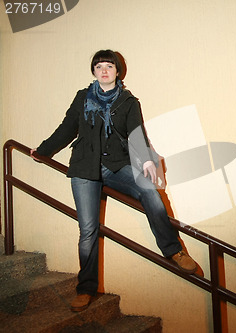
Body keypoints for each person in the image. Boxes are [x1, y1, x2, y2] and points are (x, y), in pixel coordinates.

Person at [30, 49, 197, 312]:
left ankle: (173, 249)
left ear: (118, 71)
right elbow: (66, 128)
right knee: (88, 231)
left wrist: (147, 161)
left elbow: (136, 134)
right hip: (85, 167)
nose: (104, 70)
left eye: (109, 66)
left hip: (116, 166)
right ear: (94, 72)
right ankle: (85, 289)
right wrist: (43, 151)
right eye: (99, 66)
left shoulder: (129, 102)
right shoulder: (82, 98)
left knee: (148, 189)